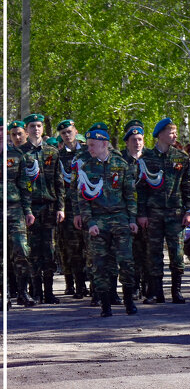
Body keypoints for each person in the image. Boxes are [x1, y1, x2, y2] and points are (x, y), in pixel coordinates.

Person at [74, 123, 139, 317]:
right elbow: (82, 200)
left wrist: (132, 218)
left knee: (126, 262)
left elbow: (130, 194)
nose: (89, 148)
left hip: (120, 219)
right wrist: (90, 222)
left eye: (92, 144)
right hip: (99, 221)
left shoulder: (121, 165)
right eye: (88, 145)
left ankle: (129, 301)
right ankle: (105, 305)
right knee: (99, 265)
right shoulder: (85, 167)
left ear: (104, 144)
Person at [136, 118, 190, 305]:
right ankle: (156, 292)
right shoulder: (146, 159)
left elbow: (188, 186)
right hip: (153, 214)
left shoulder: (181, 158)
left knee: (177, 253)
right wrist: (142, 213)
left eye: (175, 132)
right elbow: (141, 189)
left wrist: (188, 210)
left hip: (175, 213)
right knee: (153, 253)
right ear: (160, 134)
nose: (175, 136)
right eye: (171, 132)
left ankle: (176, 290)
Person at [19, 114, 60, 304]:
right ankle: (36, 291)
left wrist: (61, 207)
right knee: (33, 251)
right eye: (32, 126)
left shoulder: (52, 152)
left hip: (50, 206)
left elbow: (58, 182)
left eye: (39, 126)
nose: (36, 129)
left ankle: (49, 291)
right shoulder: (21, 153)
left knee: (49, 249)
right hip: (31, 207)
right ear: (26, 130)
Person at [53, 120, 89, 301]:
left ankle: (97, 286)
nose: (67, 135)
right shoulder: (58, 156)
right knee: (73, 248)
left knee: (90, 248)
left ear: (75, 131)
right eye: (63, 133)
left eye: (69, 131)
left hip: (89, 207)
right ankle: (79, 285)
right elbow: (57, 185)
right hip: (69, 208)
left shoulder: (88, 152)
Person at [121, 120, 152, 304]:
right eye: (133, 139)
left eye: (140, 139)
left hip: (149, 213)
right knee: (131, 254)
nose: (137, 143)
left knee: (148, 253)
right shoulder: (120, 161)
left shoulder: (150, 159)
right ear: (127, 142)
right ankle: (132, 287)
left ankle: (149, 286)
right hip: (128, 214)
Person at [7, 129, 36, 307]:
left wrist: (28, 210)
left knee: (21, 250)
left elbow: (24, 185)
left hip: (14, 209)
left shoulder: (17, 155)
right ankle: (4, 295)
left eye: (4, 130)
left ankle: (23, 292)